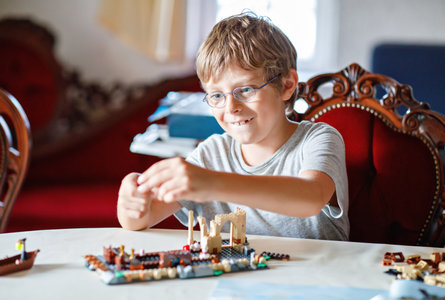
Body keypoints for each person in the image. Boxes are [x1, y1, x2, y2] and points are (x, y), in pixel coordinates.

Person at [117, 12, 349, 240]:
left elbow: (310, 198)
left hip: (317, 274)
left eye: (246, 90)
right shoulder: (211, 154)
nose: (230, 108)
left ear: (287, 85)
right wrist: (132, 199)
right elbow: (142, 219)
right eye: (216, 96)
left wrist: (211, 183)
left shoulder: (318, 138)